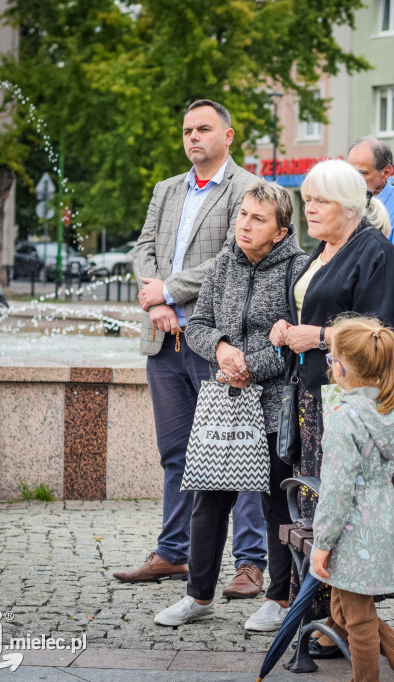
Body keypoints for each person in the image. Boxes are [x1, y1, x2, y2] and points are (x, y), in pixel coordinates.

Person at [269, 158, 394, 656]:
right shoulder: (324, 247)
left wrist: (320, 336)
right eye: (306, 198)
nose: (308, 207)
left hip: (351, 402)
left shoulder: (374, 253)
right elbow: (313, 307)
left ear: (350, 207)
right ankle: (320, 616)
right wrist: (289, 330)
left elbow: (386, 332)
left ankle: (342, 621)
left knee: (333, 507)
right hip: (315, 395)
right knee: (315, 504)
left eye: (320, 200)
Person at [119, 99, 267, 596]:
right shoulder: (166, 189)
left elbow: (233, 255)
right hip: (164, 341)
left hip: (217, 343)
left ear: (228, 135)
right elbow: (143, 246)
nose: (193, 138)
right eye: (187, 130)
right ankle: (172, 553)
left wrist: (170, 291)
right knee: (175, 453)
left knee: (239, 453)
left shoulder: (248, 190)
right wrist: (154, 297)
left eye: (204, 129)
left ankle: (250, 562)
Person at [153, 180, 308, 630]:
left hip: (276, 404)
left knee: (277, 505)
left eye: (258, 218)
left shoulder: (297, 270)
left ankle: (280, 599)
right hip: (226, 401)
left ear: (280, 230)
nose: (244, 224)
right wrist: (221, 349)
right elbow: (197, 323)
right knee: (209, 499)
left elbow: (297, 343)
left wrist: (251, 366)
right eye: (243, 214)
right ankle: (198, 596)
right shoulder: (224, 264)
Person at [311, 317, 394, 682]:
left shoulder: (344, 420)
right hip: (383, 523)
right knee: (343, 611)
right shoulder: (391, 412)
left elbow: (336, 492)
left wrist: (321, 543)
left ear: (341, 367)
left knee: (356, 620)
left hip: (352, 532)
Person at [348, 137, 394, 247]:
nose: (354, 180)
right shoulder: (346, 203)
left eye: (362, 173)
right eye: (350, 173)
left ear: (386, 173)